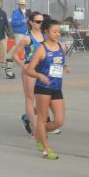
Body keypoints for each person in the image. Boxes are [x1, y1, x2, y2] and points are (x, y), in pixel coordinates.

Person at [25, 19, 69, 159]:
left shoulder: (61, 47)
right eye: (54, 31)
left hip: (56, 88)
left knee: (59, 121)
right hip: (42, 88)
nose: (57, 34)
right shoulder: (41, 49)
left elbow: (59, 62)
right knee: (42, 119)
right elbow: (29, 70)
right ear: (46, 32)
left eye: (59, 32)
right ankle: (46, 149)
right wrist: (40, 76)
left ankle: (39, 134)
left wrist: (65, 66)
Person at [13, 12, 46, 140]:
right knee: (30, 98)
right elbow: (15, 55)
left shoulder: (45, 35)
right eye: (38, 21)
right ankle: (35, 129)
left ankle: (27, 117)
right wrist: (23, 66)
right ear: (31, 22)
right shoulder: (27, 38)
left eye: (42, 21)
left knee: (45, 99)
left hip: (43, 70)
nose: (40, 24)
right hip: (30, 70)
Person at [7, 0, 29, 79]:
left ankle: (29, 67)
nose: (22, 5)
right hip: (19, 32)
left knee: (28, 48)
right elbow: (14, 23)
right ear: (19, 5)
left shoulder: (27, 12)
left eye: (23, 4)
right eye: (21, 4)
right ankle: (8, 61)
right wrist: (22, 21)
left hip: (26, 32)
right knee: (17, 48)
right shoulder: (16, 12)